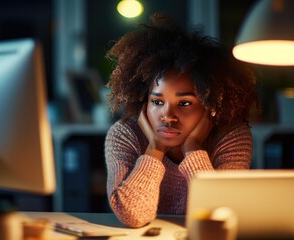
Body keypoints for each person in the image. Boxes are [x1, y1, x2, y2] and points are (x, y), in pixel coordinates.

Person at [104, 12, 259, 228]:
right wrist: (155, 148)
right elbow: (133, 215)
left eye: (184, 103)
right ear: (144, 102)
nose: (167, 116)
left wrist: (193, 149)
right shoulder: (124, 135)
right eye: (157, 102)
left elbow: (220, 217)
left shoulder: (231, 137)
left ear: (209, 105)